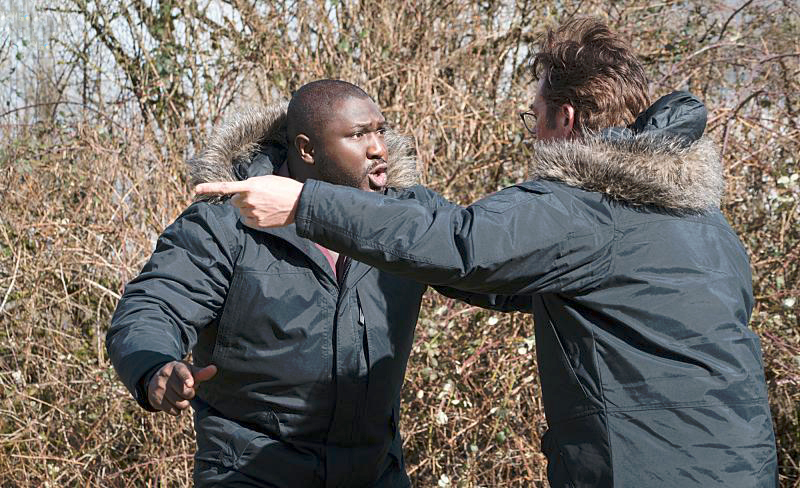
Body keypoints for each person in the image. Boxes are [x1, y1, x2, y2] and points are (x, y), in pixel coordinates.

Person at [196, 19, 779, 488]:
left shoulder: (583, 208)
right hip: (740, 462)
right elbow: (504, 277)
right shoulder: (703, 221)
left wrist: (307, 204)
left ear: (566, 119)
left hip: (642, 468)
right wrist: (400, 236)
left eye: (534, 118)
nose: (531, 135)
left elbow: (462, 243)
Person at [107, 79, 523, 487]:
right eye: (358, 135)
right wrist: (153, 368)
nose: (378, 147)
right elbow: (153, 306)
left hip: (375, 472)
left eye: (380, 130)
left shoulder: (405, 218)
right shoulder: (226, 222)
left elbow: (491, 271)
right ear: (306, 149)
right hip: (252, 472)